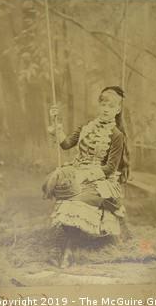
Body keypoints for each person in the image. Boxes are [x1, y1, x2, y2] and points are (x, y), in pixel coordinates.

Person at [43, 86, 130, 268]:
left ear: (118, 109)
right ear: (99, 106)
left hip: (101, 180)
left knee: (76, 201)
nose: (106, 108)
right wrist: (56, 122)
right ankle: (59, 250)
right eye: (103, 104)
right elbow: (66, 144)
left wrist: (85, 176)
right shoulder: (86, 127)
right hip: (76, 173)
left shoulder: (116, 135)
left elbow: (109, 168)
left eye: (111, 105)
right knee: (65, 196)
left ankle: (67, 252)